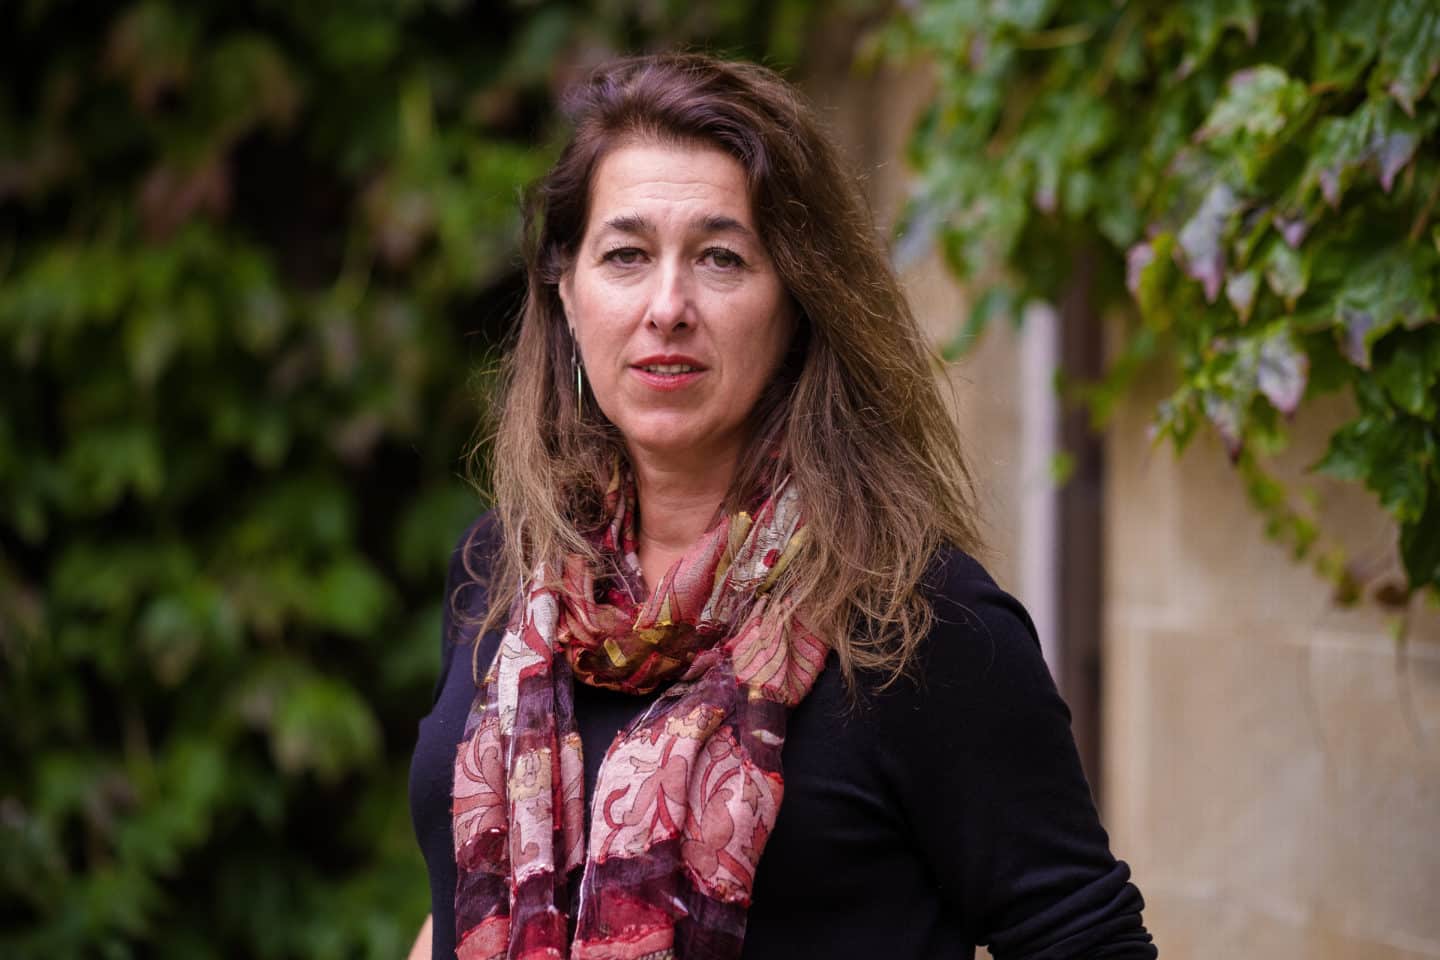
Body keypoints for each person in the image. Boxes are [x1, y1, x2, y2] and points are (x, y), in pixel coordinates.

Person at [408, 53, 1156, 960]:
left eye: (721, 258)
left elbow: (1087, 942)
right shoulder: (503, 569)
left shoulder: (918, 624)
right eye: (626, 256)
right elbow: (461, 902)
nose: (668, 306)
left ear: (798, 301)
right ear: (566, 293)